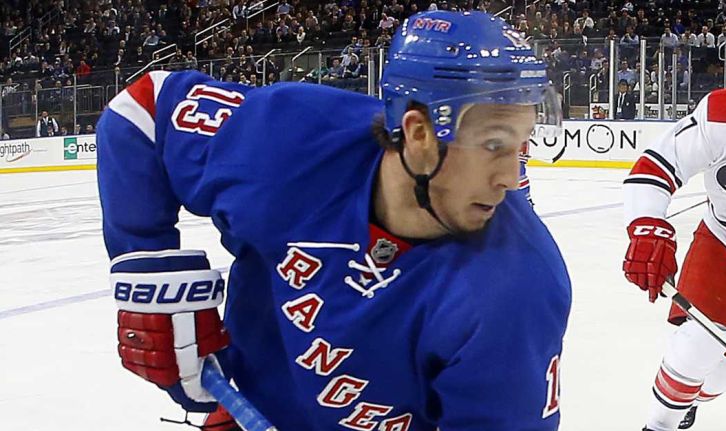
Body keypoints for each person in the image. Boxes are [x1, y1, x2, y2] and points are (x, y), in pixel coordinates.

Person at [97, 11, 571, 431]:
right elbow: (142, 111)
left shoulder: (516, 291)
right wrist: (150, 275)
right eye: (493, 144)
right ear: (419, 133)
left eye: (521, 143)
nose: (511, 177)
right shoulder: (289, 140)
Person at [623, 52, 726, 431]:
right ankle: (659, 426)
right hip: (725, 242)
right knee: (699, 344)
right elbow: (656, 166)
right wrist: (647, 226)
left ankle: (686, 400)